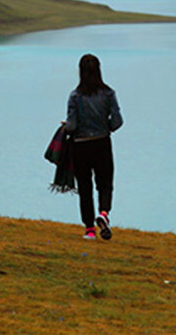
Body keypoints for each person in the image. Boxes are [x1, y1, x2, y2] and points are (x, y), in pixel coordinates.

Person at [64, 53, 123, 241]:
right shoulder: (109, 94)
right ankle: (104, 213)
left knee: (85, 187)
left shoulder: (75, 96)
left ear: (80, 72)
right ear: (99, 70)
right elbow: (118, 121)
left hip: (80, 146)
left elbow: (71, 126)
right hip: (102, 143)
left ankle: (89, 229)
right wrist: (106, 128)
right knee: (105, 183)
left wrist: (65, 126)